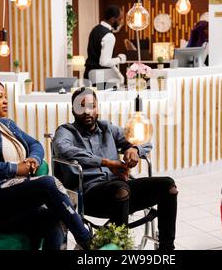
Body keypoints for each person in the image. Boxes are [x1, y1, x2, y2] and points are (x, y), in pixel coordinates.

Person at [0, 77, 92, 250]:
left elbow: (35, 144)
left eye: (5, 96)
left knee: (53, 217)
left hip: (7, 195)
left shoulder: (6, 125)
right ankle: (88, 240)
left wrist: (34, 158)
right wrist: (14, 168)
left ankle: (84, 241)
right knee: (48, 182)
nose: (5, 101)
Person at [53, 87, 178, 250]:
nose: (87, 111)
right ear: (73, 110)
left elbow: (145, 142)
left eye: (92, 106)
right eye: (81, 106)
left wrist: (134, 149)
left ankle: (167, 250)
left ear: (98, 107)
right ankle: (116, 248)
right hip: (89, 194)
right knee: (121, 188)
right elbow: (64, 150)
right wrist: (107, 163)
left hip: (121, 189)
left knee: (168, 186)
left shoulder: (107, 128)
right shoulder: (66, 131)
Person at [84, 5, 126, 82]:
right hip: (101, 78)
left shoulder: (95, 29)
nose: (121, 22)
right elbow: (104, 62)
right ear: (113, 19)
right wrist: (120, 59)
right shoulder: (109, 36)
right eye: (120, 19)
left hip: (88, 75)